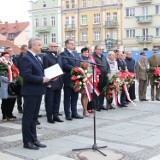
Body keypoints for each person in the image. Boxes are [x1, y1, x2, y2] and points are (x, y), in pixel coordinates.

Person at [21, 37, 50, 150]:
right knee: (27, 119)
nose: (40, 47)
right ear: (32, 45)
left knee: (34, 118)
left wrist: (48, 78)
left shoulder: (36, 57)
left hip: (37, 91)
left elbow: (38, 72)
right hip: (30, 92)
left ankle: (34, 139)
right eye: (39, 45)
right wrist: (42, 79)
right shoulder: (26, 58)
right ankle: (27, 142)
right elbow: (26, 76)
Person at [61, 39, 84, 120]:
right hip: (68, 78)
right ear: (67, 45)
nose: (73, 45)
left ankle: (74, 113)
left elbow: (79, 63)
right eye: (71, 44)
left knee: (75, 97)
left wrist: (82, 68)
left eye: (73, 43)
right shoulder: (63, 54)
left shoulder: (76, 54)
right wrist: (76, 69)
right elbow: (65, 65)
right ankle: (68, 114)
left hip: (77, 79)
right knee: (67, 97)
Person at [43, 43, 63, 123]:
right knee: (50, 101)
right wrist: (47, 83)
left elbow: (61, 67)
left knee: (57, 100)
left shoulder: (59, 56)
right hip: (51, 82)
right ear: (49, 48)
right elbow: (45, 69)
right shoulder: (46, 56)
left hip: (59, 81)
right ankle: (49, 117)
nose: (54, 48)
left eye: (56, 46)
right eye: (52, 46)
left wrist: (62, 81)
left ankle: (55, 115)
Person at [0, 52, 18, 121]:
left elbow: (15, 71)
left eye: (8, 56)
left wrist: (15, 78)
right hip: (5, 85)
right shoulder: (1, 63)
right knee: (5, 101)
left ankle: (10, 114)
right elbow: (1, 76)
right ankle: (4, 115)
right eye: (5, 56)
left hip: (11, 85)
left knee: (11, 100)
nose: (7, 57)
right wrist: (10, 79)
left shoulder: (11, 63)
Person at [92, 45, 110, 111]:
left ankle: (101, 104)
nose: (101, 50)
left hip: (105, 76)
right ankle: (96, 105)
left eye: (101, 49)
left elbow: (108, 66)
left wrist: (108, 72)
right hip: (98, 77)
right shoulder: (93, 57)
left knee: (102, 91)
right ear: (95, 50)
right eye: (99, 49)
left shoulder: (103, 57)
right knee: (97, 91)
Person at [4, 47, 17, 118]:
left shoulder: (14, 60)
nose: (11, 52)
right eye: (9, 51)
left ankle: (10, 113)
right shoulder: (3, 60)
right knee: (6, 99)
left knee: (13, 98)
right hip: (6, 82)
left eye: (12, 51)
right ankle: (4, 114)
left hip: (14, 82)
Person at [14, 44, 28, 113]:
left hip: (27, 79)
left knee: (26, 95)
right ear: (22, 50)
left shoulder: (29, 57)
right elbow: (16, 68)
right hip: (20, 79)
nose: (27, 51)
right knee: (19, 95)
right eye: (26, 50)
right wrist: (19, 78)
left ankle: (26, 108)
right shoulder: (17, 58)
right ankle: (19, 108)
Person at [80, 47, 92, 117]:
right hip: (83, 79)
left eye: (87, 52)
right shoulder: (80, 59)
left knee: (87, 94)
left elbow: (91, 68)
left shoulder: (90, 59)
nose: (86, 54)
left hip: (89, 79)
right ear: (82, 53)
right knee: (84, 94)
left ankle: (86, 109)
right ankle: (84, 110)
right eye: (84, 52)